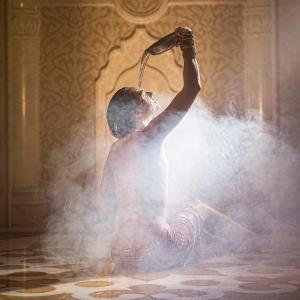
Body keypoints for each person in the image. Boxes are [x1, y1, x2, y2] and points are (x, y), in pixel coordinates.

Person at [100, 27, 257, 273]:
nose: (151, 94)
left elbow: (106, 201)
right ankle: (253, 242)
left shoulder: (115, 150)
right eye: (144, 94)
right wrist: (188, 47)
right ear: (134, 111)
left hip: (120, 252)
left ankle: (242, 243)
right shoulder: (150, 135)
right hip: (153, 250)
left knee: (177, 214)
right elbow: (192, 87)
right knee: (198, 208)